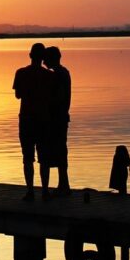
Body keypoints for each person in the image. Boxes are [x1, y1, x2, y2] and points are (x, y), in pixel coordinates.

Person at [13, 43, 53, 201]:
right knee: (44, 158)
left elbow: (18, 95)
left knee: (27, 158)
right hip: (43, 120)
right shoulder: (49, 75)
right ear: (43, 58)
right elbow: (52, 97)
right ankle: (45, 190)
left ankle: (30, 191)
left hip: (27, 120)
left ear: (30, 55)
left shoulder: (21, 73)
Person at [43, 46, 71, 196]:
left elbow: (59, 97)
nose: (44, 62)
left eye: (46, 59)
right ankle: (63, 183)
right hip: (61, 116)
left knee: (59, 150)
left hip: (57, 118)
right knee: (61, 149)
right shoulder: (64, 72)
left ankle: (63, 185)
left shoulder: (57, 74)